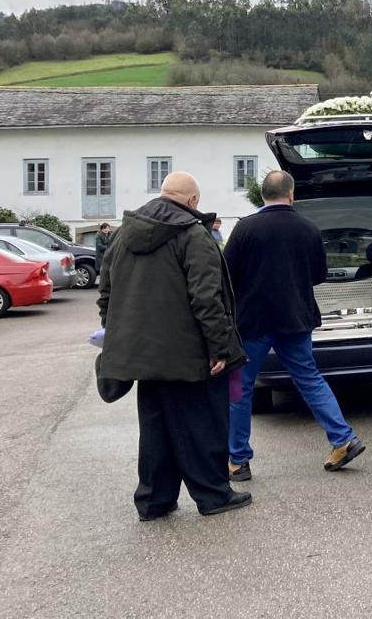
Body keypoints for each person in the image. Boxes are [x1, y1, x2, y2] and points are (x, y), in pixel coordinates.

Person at [97, 171, 249, 520]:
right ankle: (213, 496)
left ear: (162, 193)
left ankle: (153, 501)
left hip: (143, 355)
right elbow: (207, 298)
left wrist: (117, 336)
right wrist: (219, 348)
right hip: (187, 353)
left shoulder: (122, 235)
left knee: (155, 429)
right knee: (203, 425)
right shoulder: (193, 235)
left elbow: (106, 293)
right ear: (193, 201)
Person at [224, 171, 365, 480]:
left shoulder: (245, 228)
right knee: (310, 379)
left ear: (262, 196)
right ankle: (343, 439)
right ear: (291, 195)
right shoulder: (309, 229)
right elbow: (317, 275)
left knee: (239, 388)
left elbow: (227, 275)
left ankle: (237, 460)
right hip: (295, 319)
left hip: (253, 323)